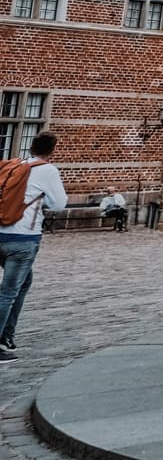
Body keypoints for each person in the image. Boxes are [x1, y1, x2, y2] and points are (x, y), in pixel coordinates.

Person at [0, 133, 65, 362]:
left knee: (23, 283)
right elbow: (58, 204)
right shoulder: (47, 170)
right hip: (23, 238)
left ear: (31, 147)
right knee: (8, 291)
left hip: (1, 231)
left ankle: (7, 335)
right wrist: (42, 200)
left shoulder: (15, 165)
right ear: (52, 150)